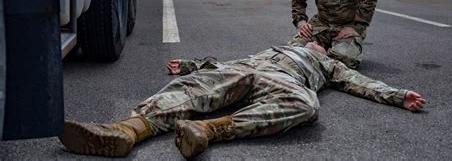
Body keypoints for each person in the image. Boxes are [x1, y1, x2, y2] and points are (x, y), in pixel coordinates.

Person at [58, 43, 425, 159]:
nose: (312, 41)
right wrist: (191, 64)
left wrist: (398, 95)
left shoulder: (327, 65)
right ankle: (125, 131)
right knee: (198, 87)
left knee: (308, 106)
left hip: (286, 82)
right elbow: (223, 61)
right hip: (246, 68)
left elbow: (361, 81)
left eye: (317, 43)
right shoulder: (278, 45)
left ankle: (206, 131)